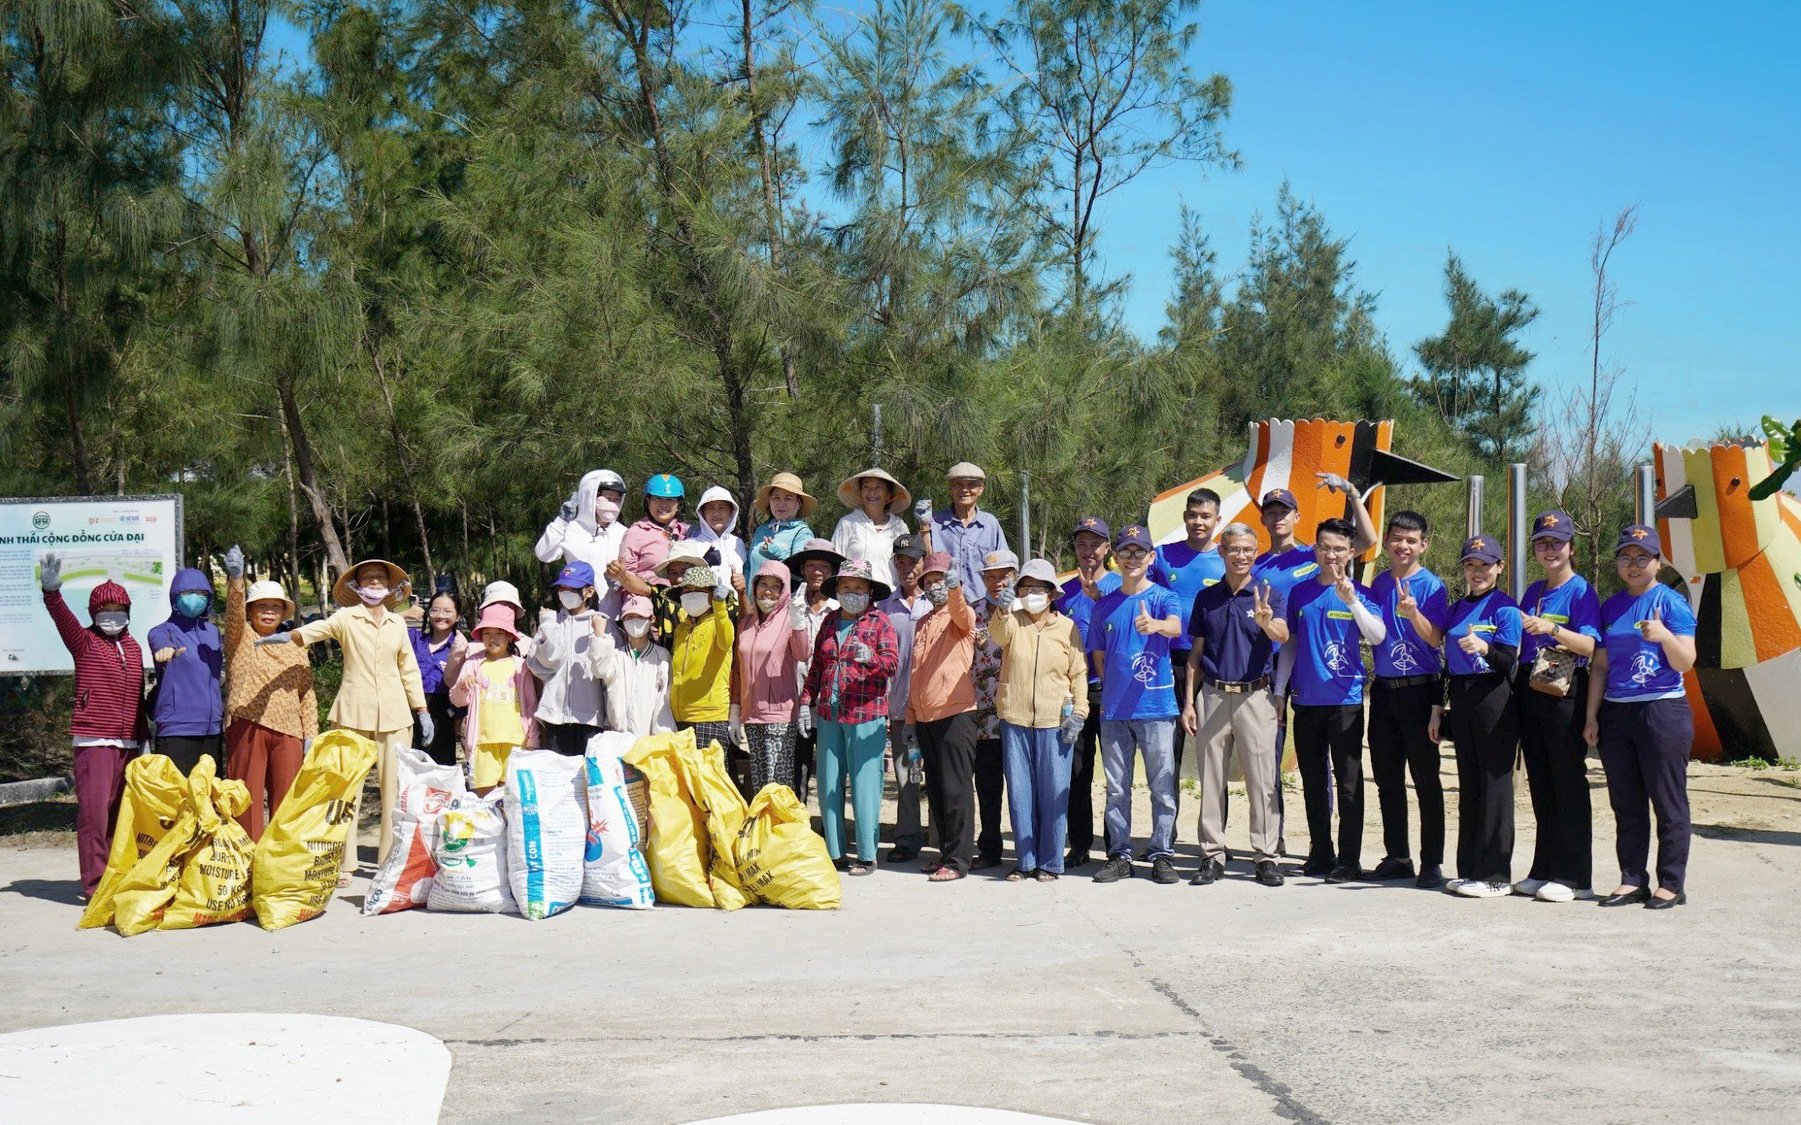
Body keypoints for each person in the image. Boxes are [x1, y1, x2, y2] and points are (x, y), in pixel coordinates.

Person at [273, 559, 430, 879]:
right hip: (351, 712)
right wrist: (274, 638)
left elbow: (409, 669)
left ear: (389, 587)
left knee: (393, 789)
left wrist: (422, 710)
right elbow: (311, 632)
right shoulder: (346, 618)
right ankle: (343, 862)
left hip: (395, 714)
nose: (374, 583)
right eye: (368, 578)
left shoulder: (397, 624)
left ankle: (388, 860)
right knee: (346, 789)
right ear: (356, 586)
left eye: (379, 579)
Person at [1587, 525, 1698, 910]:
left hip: (1662, 709)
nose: (1633, 565)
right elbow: (1600, 665)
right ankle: (1632, 879)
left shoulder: (1672, 603)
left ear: (1657, 562)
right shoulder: (1611, 606)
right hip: (1617, 711)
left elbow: (1687, 661)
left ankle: (1672, 883)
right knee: (1626, 802)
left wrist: (1665, 637)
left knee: (1667, 800)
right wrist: (1592, 715)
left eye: (1642, 557)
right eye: (1625, 557)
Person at [1181, 524, 1289, 888]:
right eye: (1233, 549)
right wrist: (1188, 702)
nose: (1240, 555)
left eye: (1246, 549)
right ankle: (1212, 855)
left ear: (1255, 552)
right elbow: (1195, 653)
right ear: (1222, 553)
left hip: (1255, 696)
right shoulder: (1206, 598)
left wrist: (1266, 622)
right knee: (1211, 780)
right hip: (1211, 695)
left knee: (1262, 780)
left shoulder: (1269, 594)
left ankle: (1266, 856)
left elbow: (1283, 635)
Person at [1278, 518, 1386, 883]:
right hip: (1306, 700)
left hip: (1346, 701)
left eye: (1339, 549)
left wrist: (1352, 601)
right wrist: (1280, 692)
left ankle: (1350, 860)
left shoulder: (1362, 593)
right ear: (1316, 550)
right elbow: (1290, 644)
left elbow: (1377, 635)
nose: (1331, 554)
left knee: (1349, 782)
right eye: (1325, 547)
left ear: (1351, 552)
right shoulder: (1300, 594)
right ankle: (1321, 852)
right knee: (1313, 781)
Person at [38, 554, 145, 900]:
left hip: (128, 742)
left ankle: (116, 876)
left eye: (118, 608)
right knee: (94, 816)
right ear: (94, 613)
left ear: (127, 611)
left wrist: (143, 736)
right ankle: (95, 885)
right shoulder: (84, 642)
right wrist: (51, 592)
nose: (111, 615)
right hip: (94, 740)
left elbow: (138, 695)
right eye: (104, 609)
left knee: (119, 815)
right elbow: (62, 618)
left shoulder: (133, 646)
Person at [1088, 524, 1185, 885]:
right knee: (1117, 787)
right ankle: (1120, 854)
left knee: (1162, 784)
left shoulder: (1163, 598)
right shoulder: (1105, 606)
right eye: (1125, 552)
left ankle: (1161, 852)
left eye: (1139, 552)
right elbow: (1099, 657)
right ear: (1116, 557)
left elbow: (1176, 627)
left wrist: (1156, 624)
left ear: (1151, 558)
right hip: (1114, 711)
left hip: (1157, 709)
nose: (1132, 559)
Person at [1513, 509, 1602, 903]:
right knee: (1542, 783)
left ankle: (1575, 877)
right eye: (1542, 542)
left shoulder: (1581, 590)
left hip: (1566, 692)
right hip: (1533, 689)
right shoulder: (1534, 591)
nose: (1550, 549)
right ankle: (1544, 868)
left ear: (1571, 547)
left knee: (1567, 782)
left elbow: (1590, 647)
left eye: (1557, 542)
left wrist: (1552, 628)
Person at [1365, 511, 1453, 889]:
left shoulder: (1433, 586)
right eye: (1397, 538)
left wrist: (1413, 612)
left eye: (1411, 540)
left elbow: (1435, 639)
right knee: (1387, 780)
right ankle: (1398, 855)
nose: (1403, 545)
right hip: (1384, 690)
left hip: (1421, 691)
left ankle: (1431, 862)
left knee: (1426, 781)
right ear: (1387, 540)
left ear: (1424, 545)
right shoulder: (1378, 584)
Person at [989, 559, 1088, 881]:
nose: (1031, 594)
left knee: (1054, 793)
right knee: (1020, 793)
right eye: (1026, 589)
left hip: (1056, 721)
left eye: (1038, 589)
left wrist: (1080, 712)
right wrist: (1002, 611)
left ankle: (1050, 862)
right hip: (1015, 718)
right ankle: (1025, 861)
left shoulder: (1067, 627)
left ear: (1051, 594)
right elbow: (997, 636)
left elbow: (1078, 672)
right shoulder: (1012, 622)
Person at [800, 560, 901, 876]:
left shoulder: (879, 622)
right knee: (829, 784)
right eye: (846, 588)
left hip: (865, 714)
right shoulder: (829, 622)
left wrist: (870, 657)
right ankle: (835, 852)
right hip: (830, 714)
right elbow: (818, 666)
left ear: (870, 591)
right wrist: (806, 702)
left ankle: (867, 855)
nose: (852, 593)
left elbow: (891, 664)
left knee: (865, 785)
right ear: (837, 591)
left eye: (858, 588)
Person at [1437, 535, 1523, 899]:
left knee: (1495, 785)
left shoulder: (1505, 609)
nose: (1477, 572)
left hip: (1495, 696)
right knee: (1469, 783)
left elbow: (1509, 661)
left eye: (1485, 565)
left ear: (1499, 568)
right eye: (1471, 565)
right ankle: (1469, 868)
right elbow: (1445, 664)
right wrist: (1439, 707)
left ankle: (1495, 874)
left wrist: (1485, 647)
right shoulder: (1457, 610)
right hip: (1462, 695)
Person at [221, 546, 317, 842]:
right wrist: (236, 581)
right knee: (245, 799)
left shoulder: (296, 644)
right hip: (247, 724)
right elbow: (234, 615)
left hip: (289, 730)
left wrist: (310, 733)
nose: (268, 612)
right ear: (250, 610)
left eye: (275, 607)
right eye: (261, 606)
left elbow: (307, 691)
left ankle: (280, 866)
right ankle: (245, 862)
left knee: (287, 802)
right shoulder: (240, 637)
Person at [906, 551, 980, 881]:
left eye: (941, 579)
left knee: (956, 790)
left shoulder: (960, 616)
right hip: (924, 716)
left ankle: (959, 859)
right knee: (935, 790)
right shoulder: (922, 623)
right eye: (930, 581)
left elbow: (962, 613)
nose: (934, 585)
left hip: (955, 713)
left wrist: (954, 591)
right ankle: (945, 854)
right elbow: (916, 672)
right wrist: (910, 719)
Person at [1150, 488, 1225, 813]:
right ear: (1184, 517)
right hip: (1169, 663)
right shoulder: (1163, 555)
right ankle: (1166, 834)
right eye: (1193, 515)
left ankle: (1215, 839)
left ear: (1217, 520)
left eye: (1205, 516)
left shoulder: (1226, 558)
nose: (1198, 521)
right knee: (1169, 753)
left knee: (1215, 751)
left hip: (1213, 662)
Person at [1058, 516, 1120, 867]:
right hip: (1076, 694)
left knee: (1116, 772)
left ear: (1107, 548)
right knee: (1077, 773)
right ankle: (1080, 843)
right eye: (1081, 544)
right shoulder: (1064, 593)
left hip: (1112, 691)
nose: (1088, 551)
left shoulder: (1120, 586)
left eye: (1095, 544)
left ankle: (1116, 844)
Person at [735, 559, 813, 793]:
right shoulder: (746, 623)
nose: (767, 591)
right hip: (751, 714)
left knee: (777, 785)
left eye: (775, 586)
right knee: (759, 783)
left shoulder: (790, 619)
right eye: (763, 584)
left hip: (779, 715)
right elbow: (738, 668)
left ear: (784, 590)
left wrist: (799, 623)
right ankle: (764, 828)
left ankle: (780, 828)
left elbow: (802, 653)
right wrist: (735, 710)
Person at [449, 603, 540, 795]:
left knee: (513, 796)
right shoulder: (473, 663)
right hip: (482, 743)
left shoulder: (520, 666)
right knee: (484, 797)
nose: (492, 638)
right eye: (487, 633)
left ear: (509, 636)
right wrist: (463, 685)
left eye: (499, 633)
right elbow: (457, 700)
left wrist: (533, 740)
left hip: (516, 742)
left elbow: (531, 704)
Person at [877, 533, 929, 863]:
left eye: (913, 562)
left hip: (936, 706)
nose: (907, 569)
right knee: (906, 776)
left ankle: (944, 838)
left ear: (924, 564)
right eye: (901, 562)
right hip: (898, 706)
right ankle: (908, 839)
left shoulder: (937, 602)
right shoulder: (884, 607)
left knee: (939, 776)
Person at [147, 566, 225, 775]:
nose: (195, 598)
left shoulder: (213, 632)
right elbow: (159, 642)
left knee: (208, 799)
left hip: (212, 729)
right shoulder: (162, 632)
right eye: (187, 593)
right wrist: (164, 651)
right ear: (175, 597)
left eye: (201, 594)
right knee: (178, 799)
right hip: (177, 729)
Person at [784, 537, 845, 802]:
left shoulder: (841, 609)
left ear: (832, 571)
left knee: (833, 771)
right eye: (811, 565)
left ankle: (833, 830)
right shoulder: (789, 605)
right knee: (797, 769)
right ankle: (799, 831)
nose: (817, 571)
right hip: (796, 699)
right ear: (802, 569)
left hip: (833, 703)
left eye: (823, 565)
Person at [526, 562, 609, 756]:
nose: (565, 593)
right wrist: (547, 628)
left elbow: (607, 670)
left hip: (591, 718)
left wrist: (600, 636)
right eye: (562, 588)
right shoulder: (552, 623)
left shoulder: (601, 622)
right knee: (559, 775)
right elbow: (544, 665)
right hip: (555, 715)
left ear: (589, 592)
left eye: (572, 589)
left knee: (589, 777)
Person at [663, 559, 738, 774]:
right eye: (687, 590)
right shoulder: (681, 629)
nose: (692, 594)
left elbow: (726, 640)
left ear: (711, 594)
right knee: (689, 783)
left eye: (699, 590)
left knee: (711, 783)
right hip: (681, 717)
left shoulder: (720, 622)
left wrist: (720, 607)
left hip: (710, 716)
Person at [969, 550, 1017, 869]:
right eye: (990, 575)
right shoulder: (971, 613)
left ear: (1014, 575)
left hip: (1019, 714)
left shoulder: (1027, 610)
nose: (997, 581)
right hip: (983, 716)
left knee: (1021, 789)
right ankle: (989, 848)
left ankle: (1027, 849)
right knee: (987, 788)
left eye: (1003, 575)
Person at [536, 468, 628, 617]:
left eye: (617, 499)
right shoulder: (572, 529)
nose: (613, 504)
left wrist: (622, 579)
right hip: (578, 614)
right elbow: (544, 554)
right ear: (590, 497)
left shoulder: (624, 532)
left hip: (617, 617)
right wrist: (561, 521)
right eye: (608, 498)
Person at [916, 462, 1010, 607]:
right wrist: (924, 527)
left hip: (984, 605)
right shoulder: (935, 522)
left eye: (971, 485)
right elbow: (925, 562)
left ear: (980, 489)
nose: (964, 489)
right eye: (958, 484)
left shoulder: (990, 524)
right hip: (945, 606)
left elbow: (1004, 566)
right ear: (950, 489)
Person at [588, 595, 675, 736]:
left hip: (647, 739)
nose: (635, 621)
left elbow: (663, 698)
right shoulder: (616, 655)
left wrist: (660, 738)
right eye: (629, 617)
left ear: (651, 619)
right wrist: (599, 636)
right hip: (617, 735)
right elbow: (599, 670)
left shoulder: (661, 656)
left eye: (640, 617)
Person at [409, 590, 467, 767]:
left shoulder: (462, 647)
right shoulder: (413, 638)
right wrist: (403, 613)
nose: (441, 616)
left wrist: (458, 725)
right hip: (412, 711)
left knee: (440, 771)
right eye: (435, 610)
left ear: (457, 616)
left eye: (447, 611)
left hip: (444, 715)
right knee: (410, 769)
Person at [830, 467, 912, 589]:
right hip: (854, 598)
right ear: (861, 492)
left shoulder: (900, 527)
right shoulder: (847, 523)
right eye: (866, 487)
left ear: (888, 495)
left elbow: (907, 564)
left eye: (878, 487)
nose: (872, 492)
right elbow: (835, 563)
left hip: (890, 600)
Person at [617, 473, 690, 585]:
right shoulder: (635, 533)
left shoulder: (688, 532)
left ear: (679, 504)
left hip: (684, 595)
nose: (663, 504)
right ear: (648, 501)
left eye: (670, 500)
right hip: (645, 595)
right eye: (658, 498)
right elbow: (626, 576)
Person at [746, 472, 817, 578]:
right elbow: (749, 567)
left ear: (799, 504)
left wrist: (778, 555)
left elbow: (801, 574)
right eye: (776, 498)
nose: (780, 504)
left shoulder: (802, 533)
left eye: (788, 498)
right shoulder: (761, 530)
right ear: (769, 501)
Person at [693, 485, 748, 597]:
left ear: (731, 512)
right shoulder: (691, 544)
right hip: (705, 611)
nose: (716, 513)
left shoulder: (738, 543)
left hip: (737, 610)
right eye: (710, 508)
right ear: (702, 513)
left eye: (722, 508)